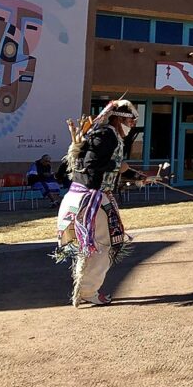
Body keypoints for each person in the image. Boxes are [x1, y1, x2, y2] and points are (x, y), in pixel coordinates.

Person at [54, 99, 141, 307]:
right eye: (131, 122)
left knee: (94, 246)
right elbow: (91, 164)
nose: (132, 127)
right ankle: (88, 291)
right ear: (120, 119)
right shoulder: (106, 135)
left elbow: (104, 164)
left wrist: (136, 175)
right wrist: (117, 165)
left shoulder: (102, 135)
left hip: (83, 197)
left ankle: (85, 289)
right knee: (102, 245)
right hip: (91, 198)